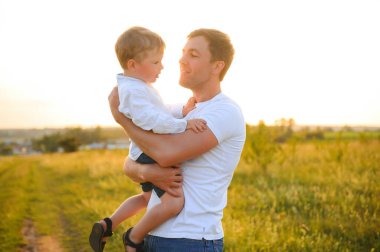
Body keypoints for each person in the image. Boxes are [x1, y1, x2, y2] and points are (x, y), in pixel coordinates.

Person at [108, 28, 246, 252]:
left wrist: (123, 120)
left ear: (217, 66)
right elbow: (130, 163)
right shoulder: (183, 113)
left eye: (193, 55)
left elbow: (165, 154)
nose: (181, 60)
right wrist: (147, 173)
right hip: (155, 237)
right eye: (183, 53)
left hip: (190, 240)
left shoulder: (224, 112)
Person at [89, 26, 207, 252]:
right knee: (173, 202)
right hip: (150, 152)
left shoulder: (137, 87)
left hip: (143, 152)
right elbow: (151, 120)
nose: (162, 66)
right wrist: (184, 123)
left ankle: (108, 224)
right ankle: (134, 238)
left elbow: (159, 111)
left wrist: (182, 109)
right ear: (133, 64)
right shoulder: (134, 91)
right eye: (155, 62)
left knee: (146, 199)